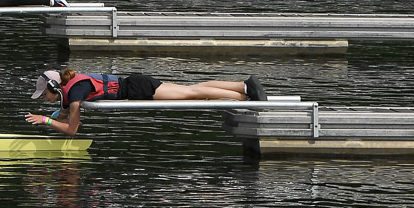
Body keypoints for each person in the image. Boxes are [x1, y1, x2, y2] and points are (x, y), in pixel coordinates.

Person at [26, 68, 266, 138]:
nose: (44, 99)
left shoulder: (75, 93)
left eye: (44, 95)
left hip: (138, 88)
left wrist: (46, 120)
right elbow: (65, 115)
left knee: (192, 93)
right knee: (192, 90)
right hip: (136, 82)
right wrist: (57, 114)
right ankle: (243, 86)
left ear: (54, 88)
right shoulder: (72, 91)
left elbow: (72, 129)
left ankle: (245, 96)